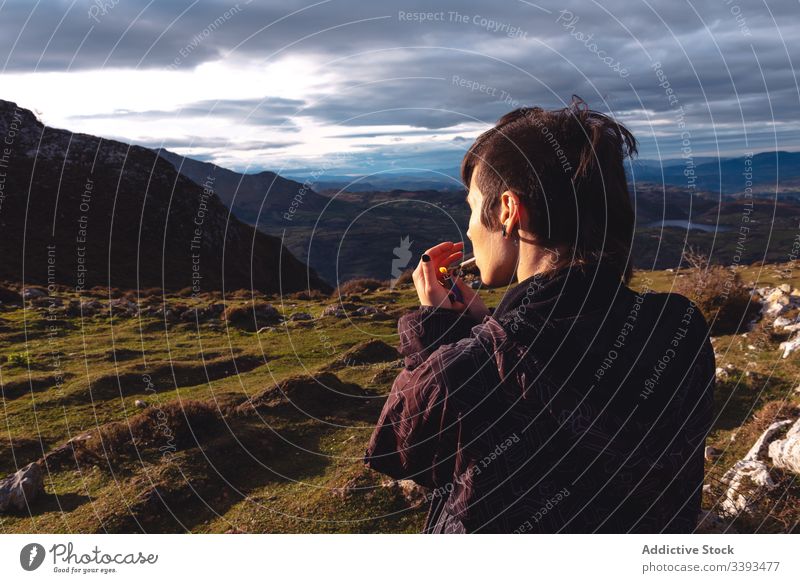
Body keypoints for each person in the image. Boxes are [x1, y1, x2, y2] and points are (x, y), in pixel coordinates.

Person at [363, 95, 715, 533]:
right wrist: (480, 333)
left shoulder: (470, 366)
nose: (470, 227)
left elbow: (403, 452)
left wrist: (439, 336)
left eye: (472, 207)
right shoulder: (680, 325)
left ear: (508, 211)